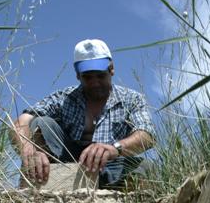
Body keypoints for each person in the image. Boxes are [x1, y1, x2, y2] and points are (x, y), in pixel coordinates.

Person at [13, 39, 155, 189]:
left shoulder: (132, 99)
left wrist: (115, 148)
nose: (94, 82)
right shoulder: (63, 98)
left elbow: (147, 135)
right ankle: (39, 179)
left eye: (100, 75)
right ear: (77, 75)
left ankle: (104, 186)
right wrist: (29, 151)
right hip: (65, 164)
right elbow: (22, 121)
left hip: (110, 166)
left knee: (145, 168)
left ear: (111, 69)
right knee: (41, 123)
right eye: (87, 77)